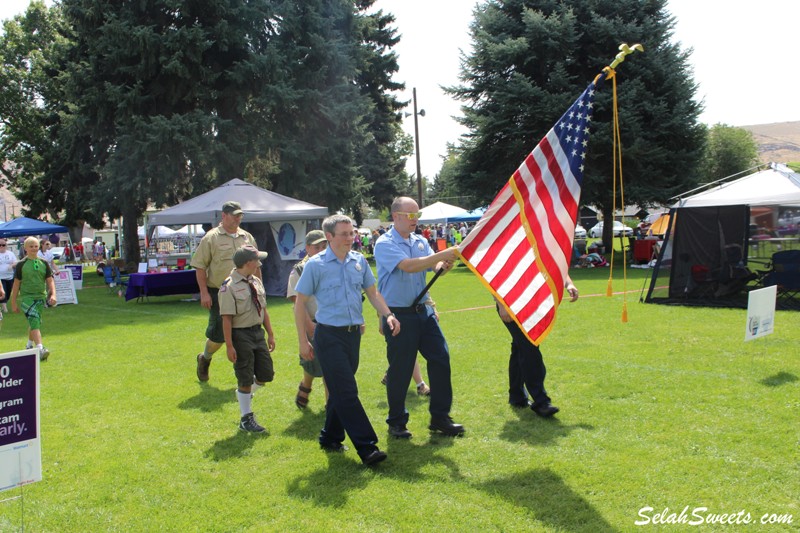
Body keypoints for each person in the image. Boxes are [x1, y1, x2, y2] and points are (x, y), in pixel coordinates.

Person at [293, 214, 400, 466]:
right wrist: (302, 341)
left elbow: (372, 293)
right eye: (344, 234)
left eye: (352, 233)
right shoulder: (315, 265)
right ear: (329, 237)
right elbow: (300, 304)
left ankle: (330, 436)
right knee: (348, 391)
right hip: (328, 335)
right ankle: (367, 447)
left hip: (353, 336)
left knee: (340, 391)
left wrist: (388, 314)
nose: (350, 238)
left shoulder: (359, 261)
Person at [374, 196, 465, 439]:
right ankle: (396, 421)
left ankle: (440, 417)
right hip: (398, 315)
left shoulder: (421, 241)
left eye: (418, 215)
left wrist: (442, 266)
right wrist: (440, 255)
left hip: (423, 312)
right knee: (400, 369)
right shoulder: (384, 243)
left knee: (441, 358)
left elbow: (430, 268)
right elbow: (409, 266)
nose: (416, 220)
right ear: (396, 216)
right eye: (411, 215)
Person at [191, 201, 259, 382]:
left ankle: (246, 374)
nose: (238, 218)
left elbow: (256, 263)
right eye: (234, 215)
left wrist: (259, 288)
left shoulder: (247, 237)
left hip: (246, 290)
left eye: (240, 215)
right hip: (220, 292)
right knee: (218, 337)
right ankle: (204, 358)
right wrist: (204, 293)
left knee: (246, 332)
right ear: (223, 216)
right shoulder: (211, 238)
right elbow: (199, 266)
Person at [497, 277, 579, 416]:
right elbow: (494, 276)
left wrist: (569, 284)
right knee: (530, 348)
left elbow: (553, 262)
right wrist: (501, 304)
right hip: (510, 303)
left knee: (520, 347)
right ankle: (541, 402)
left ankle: (517, 396)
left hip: (533, 300)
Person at [218, 245, 276, 433]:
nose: (259, 262)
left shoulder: (256, 281)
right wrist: (229, 346)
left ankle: (245, 395)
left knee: (266, 374)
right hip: (240, 335)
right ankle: (246, 418)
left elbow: (263, 309)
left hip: (257, 332)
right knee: (244, 375)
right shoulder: (229, 287)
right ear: (248, 262)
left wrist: (270, 333)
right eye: (257, 259)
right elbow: (226, 318)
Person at [286, 230, 328, 409]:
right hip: (312, 321)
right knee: (312, 360)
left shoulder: (330, 264)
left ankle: (330, 405)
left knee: (329, 365)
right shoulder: (299, 270)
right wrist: (308, 325)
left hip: (331, 322)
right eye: (316, 247)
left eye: (324, 246)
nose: (321, 250)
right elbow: (297, 302)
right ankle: (306, 384)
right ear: (307, 248)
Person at [10, 237, 57, 361]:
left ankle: (29, 346)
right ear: (25, 248)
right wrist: (13, 302)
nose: (34, 248)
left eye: (36, 246)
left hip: (40, 297)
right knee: (35, 320)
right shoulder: (21, 265)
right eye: (31, 246)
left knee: (35, 322)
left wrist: (53, 295)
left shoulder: (44, 263)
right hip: (27, 298)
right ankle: (40, 349)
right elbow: (16, 285)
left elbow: (50, 280)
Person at [0, 238, 18, 316]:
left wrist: (12, 265)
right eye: (0, 245)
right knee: (3, 291)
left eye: (3, 245)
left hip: (10, 276)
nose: (1, 246)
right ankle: (5, 308)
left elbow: (16, 262)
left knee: (8, 292)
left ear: (6, 245)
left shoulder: (10, 254)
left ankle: (3, 303)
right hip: (1, 277)